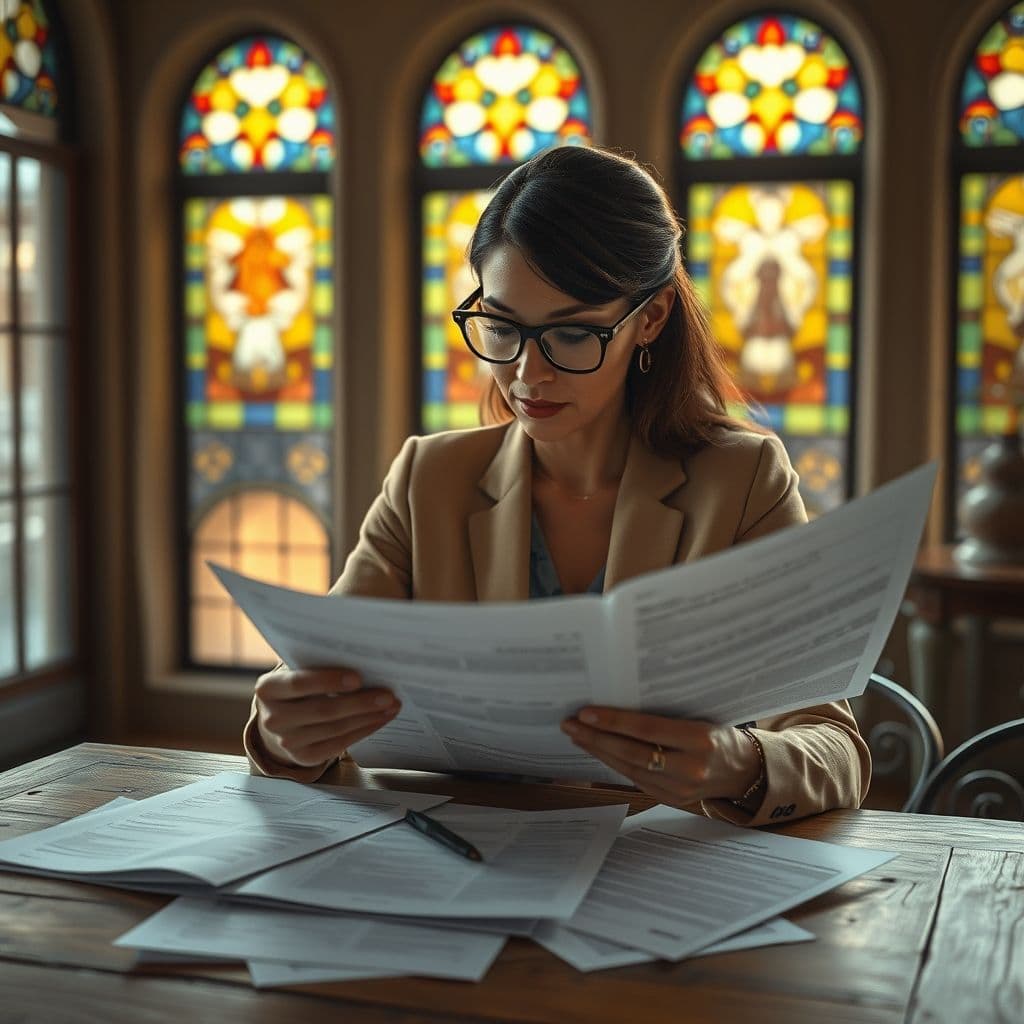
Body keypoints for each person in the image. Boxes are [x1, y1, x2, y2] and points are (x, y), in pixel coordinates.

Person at [243, 145, 870, 827]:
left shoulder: (742, 481)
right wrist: (286, 736)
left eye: (571, 334)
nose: (526, 374)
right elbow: (313, 694)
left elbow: (834, 746)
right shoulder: (430, 480)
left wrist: (737, 763)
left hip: (653, 878)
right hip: (461, 863)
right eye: (503, 326)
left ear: (651, 319)